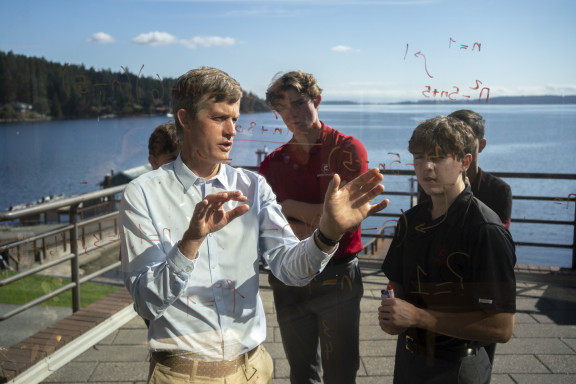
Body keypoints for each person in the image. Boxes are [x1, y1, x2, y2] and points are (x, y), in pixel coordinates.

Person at [120, 66, 389, 384]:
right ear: (185, 119)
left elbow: (290, 268)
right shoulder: (143, 193)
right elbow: (147, 304)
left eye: (234, 118)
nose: (232, 130)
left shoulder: (252, 186)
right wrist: (190, 242)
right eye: (220, 118)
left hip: (254, 370)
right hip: (182, 375)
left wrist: (328, 232)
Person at [379, 116, 516, 384]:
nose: (426, 167)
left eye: (438, 158)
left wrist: (419, 316)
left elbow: (501, 327)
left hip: (458, 366)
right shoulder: (410, 220)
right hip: (409, 360)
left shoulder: (485, 230)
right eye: (419, 158)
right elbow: (395, 283)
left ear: (465, 161)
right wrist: (390, 312)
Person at [259, 70, 368, 384]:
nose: (293, 114)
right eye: (284, 108)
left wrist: (288, 208)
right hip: (289, 275)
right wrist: (321, 218)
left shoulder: (347, 149)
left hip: (338, 273)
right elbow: (272, 229)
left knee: (341, 371)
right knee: (301, 370)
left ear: (316, 100)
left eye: (299, 103)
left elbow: (344, 219)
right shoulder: (273, 163)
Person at [420, 109, 512, 229]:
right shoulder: (432, 183)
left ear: (482, 145)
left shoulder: (499, 190)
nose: (459, 148)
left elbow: (498, 239)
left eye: (467, 141)